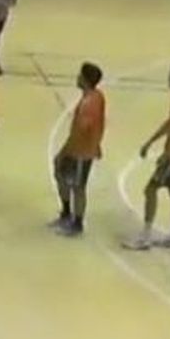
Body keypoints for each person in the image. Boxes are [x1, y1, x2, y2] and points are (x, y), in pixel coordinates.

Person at [126, 63, 170, 251]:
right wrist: (152, 141)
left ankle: (145, 237)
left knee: (150, 190)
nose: (169, 79)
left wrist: (167, 154)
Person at [51, 62, 107, 237]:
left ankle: (77, 223)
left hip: (81, 151)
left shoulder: (88, 103)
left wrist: (64, 151)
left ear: (85, 79)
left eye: (80, 75)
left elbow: (81, 130)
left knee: (78, 186)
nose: (77, 77)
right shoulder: (97, 96)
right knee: (61, 175)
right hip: (81, 148)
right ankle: (67, 213)